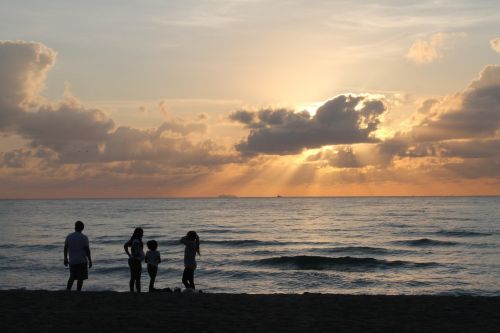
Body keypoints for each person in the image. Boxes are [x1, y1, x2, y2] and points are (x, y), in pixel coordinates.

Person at [64, 221, 92, 291]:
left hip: (72, 260)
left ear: (75, 227)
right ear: (82, 228)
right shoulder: (84, 237)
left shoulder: (69, 236)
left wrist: (65, 258)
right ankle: (78, 291)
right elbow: (87, 250)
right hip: (82, 260)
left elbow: (65, 248)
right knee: (80, 278)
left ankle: (68, 290)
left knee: (72, 277)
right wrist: (90, 260)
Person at [124, 227, 145, 293]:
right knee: (137, 278)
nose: (142, 235)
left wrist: (129, 255)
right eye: (142, 233)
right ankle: (138, 291)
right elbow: (133, 248)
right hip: (136, 260)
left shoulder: (133, 239)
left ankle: (132, 291)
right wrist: (134, 255)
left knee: (133, 277)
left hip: (133, 260)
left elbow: (125, 245)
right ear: (139, 233)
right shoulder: (136, 240)